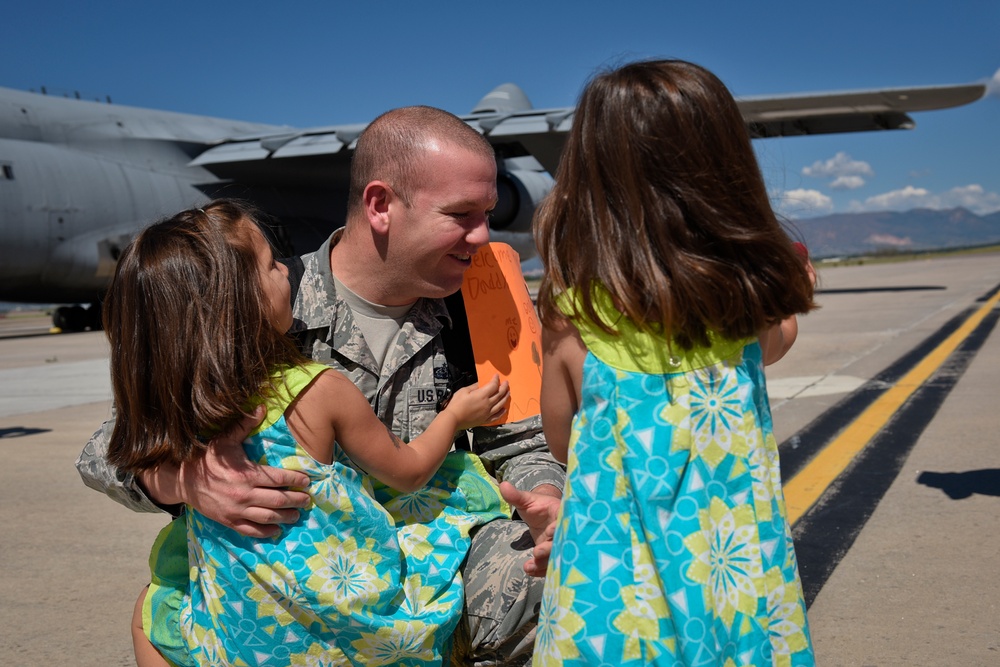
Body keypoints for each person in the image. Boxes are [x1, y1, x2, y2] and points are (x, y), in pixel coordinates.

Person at [77, 105, 564, 665]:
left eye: (489, 212)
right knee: (161, 606)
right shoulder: (260, 305)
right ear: (380, 205)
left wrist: (545, 501)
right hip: (294, 583)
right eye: (461, 214)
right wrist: (183, 480)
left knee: (554, 578)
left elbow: (523, 443)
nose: (484, 235)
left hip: (435, 559)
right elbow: (107, 449)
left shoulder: (483, 306)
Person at [104, 200, 512, 666]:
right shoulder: (318, 390)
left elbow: (121, 453)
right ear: (239, 301)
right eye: (271, 265)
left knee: (148, 612)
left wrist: (176, 480)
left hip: (242, 639)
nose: (286, 272)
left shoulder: (175, 407)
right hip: (341, 630)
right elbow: (409, 473)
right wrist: (456, 416)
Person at [530, 60, 817, 666]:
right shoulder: (748, 322)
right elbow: (782, 332)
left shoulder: (576, 319)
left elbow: (562, 443)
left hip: (613, 610)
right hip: (738, 598)